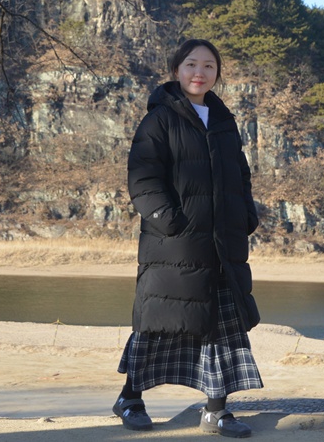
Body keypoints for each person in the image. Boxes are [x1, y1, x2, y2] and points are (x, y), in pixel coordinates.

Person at [113, 39, 263, 438]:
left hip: (222, 246)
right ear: (176, 70)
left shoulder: (224, 121)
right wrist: (170, 222)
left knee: (221, 327)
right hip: (174, 245)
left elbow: (241, 175)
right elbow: (143, 180)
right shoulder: (159, 119)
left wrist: (246, 216)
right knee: (160, 324)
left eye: (209, 66)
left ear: (217, 74)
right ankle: (130, 399)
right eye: (192, 64)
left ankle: (216, 411)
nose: (200, 72)